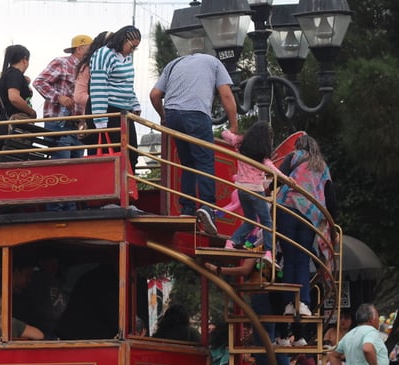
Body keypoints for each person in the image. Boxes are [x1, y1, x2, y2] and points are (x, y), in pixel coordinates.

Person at [149, 45, 238, 235]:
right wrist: (233, 127)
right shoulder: (214, 62)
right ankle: (207, 209)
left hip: (173, 114)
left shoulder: (173, 63)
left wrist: (163, 117)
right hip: (197, 113)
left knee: (187, 163)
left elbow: (154, 95)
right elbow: (226, 94)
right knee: (205, 162)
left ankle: (187, 209)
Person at [274, 133, 337, 317]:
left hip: (287, 209)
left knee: (288, 257)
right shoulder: (322, 166)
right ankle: (303, 303)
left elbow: (279, 178)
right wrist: (332, 226)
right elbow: (331, 198)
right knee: (302, 258)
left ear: (298, 146)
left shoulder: (293, 157)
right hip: (310, 215)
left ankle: (288, 304)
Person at [222, 121, 296, 264]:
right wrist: (288, 180)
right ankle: (269, 253)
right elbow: (275, 171)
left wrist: (232, 132)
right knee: (267, 223)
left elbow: (225, 134)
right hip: (256, 191)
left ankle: (231, 243)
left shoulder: (240, 144)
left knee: (250, 221)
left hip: (242, 189)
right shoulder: (262, 156)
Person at [33, 34, 92, 159]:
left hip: (77, 126)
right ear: (79, 49)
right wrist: (59, 97)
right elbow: (39, 82)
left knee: (75, 169)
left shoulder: (87, 70)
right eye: (90, 48)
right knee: (63, 165)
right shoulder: (62, 62)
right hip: (58, 122)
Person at [89, 25, 142, 154]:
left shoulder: (126, 57)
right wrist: (101, 120)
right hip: (109, 110)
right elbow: (98, 87)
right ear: (123, 40)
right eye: (132, 47)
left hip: (124, 111)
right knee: (111, 152)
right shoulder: (104, 54)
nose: (132, 51)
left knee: (131, 153)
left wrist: (134, 103)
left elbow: (127, 83)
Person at [0, 44, 36, 146]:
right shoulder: (15, 74)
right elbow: (14, 97)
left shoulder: (7, 74)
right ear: (25, 60)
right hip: (13, 127)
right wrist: (30, 111)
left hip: (3, 124)